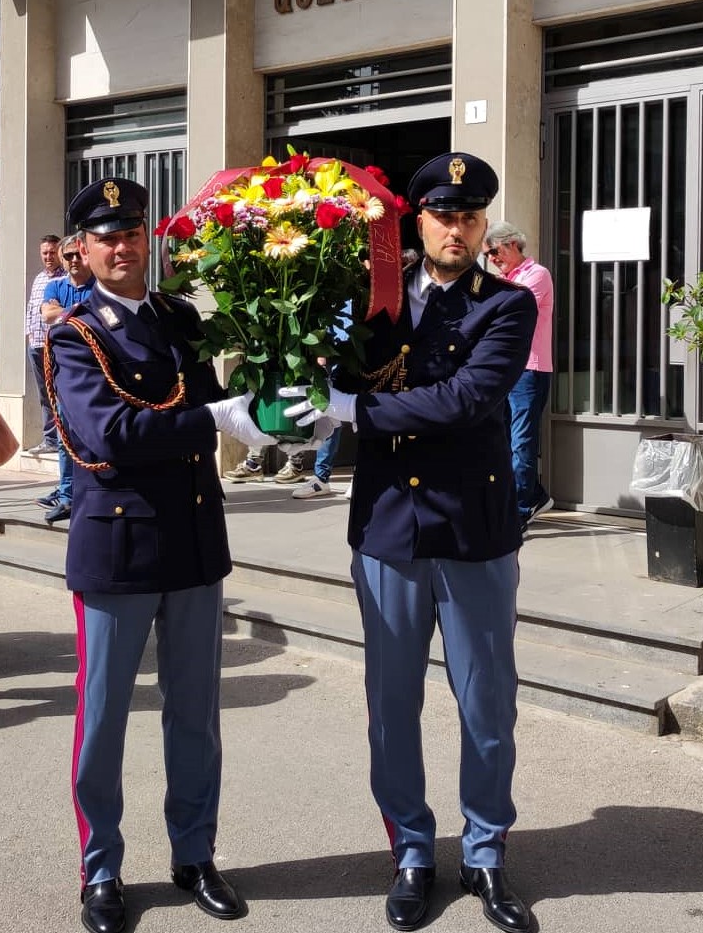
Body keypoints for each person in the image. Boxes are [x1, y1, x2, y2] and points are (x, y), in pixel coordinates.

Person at [286, 152, 537, 933]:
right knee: (392, 706)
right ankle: (413, 851)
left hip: (474, 531)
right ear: (416, 220)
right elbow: (322, 367)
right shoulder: (374, 308)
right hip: (390, 529)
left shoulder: (507, 306)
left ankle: (487, 852)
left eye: (469, 215)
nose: (456, 227)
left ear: (483, 224)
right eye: (442, 213)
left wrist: (355, 410)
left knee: (486, 704)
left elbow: (466, 399)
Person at [46, 176, 274, 933]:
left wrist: (264, 410)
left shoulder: (179, 318)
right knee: (104, 716)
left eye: (132, 230)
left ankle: (194, 853)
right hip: (118, 544)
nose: (121, 245)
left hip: (194, 537)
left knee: (195, 714)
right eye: (105, 235)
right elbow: (108, 435)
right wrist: (212, 415)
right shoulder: (74, 334)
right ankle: (101, 869)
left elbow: (219, 397)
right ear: (81, 247)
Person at [485, 221, 555, 526]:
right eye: (487, 254)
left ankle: (522, 509)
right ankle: (534, 495)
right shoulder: (506, 279)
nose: (491, 259)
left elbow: (508, 310)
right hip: (506, 371)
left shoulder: (536, 275)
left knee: (521, 441)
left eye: (494, 251)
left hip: (530, 370)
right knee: (501, 438)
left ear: (512, 243)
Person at [36, 235, 92, 523]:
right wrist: (80, 312)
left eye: (77, 255)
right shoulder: (55, 286)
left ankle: (91, 495)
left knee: (91, 439)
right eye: (67, 256)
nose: (73, 260)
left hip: (94, 377)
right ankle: (68, 497)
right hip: (62, 376)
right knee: (64, 439)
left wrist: (64, 314)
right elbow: (47, 315)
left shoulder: (99, 288)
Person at [24, 232, 65, 454]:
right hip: (36, 344)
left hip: (55, 344)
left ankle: (63, 438)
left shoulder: (64, 278)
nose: (48, 256)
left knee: (59, 392)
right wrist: (29, 335)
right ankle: (50, 439)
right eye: (45, 253)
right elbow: (31, 308)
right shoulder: (39, 278)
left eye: (52, 252)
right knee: (44, 393)